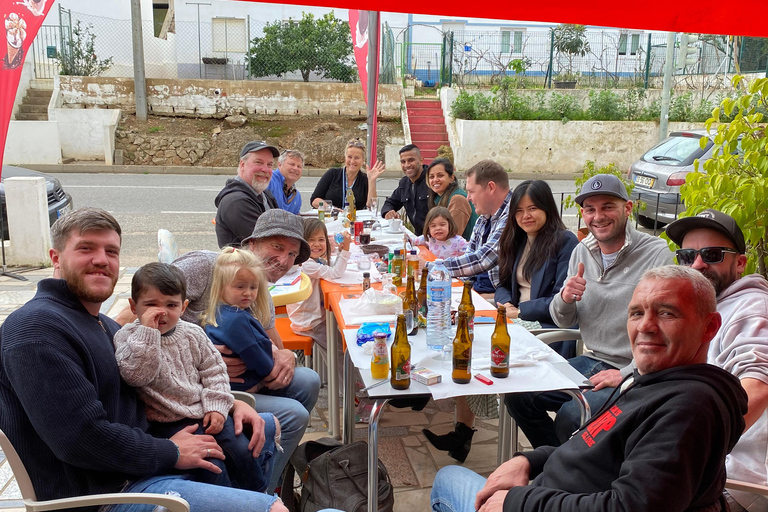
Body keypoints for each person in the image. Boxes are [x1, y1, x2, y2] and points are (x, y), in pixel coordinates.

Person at [0, 207, 289, 512]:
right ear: (56, 257)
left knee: (270, 426)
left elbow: (158, 387)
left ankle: (255, 494)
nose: (101, 259)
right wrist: (171, 451)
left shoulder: (102, 324)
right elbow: (80, 439)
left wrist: (231, 403)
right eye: (86, 248)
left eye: (111, 251)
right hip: (109, 494)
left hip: (146, 462)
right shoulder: (35, 330)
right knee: (271, 507)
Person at [431, 265, 747, 512]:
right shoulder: (654, 381)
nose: (645, 327)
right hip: (546, 489)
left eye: (666, 313)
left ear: (710, 327)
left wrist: (518, 503)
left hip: (536, 502)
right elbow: (591, 446)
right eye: (637, 313)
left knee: (448, 479)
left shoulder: (690, 407)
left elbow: (633, 506)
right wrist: (531, 460)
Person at [507, 173, 674, 448]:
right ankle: (556, 465)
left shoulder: (655, 254)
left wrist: (626, 373)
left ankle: (570, 472)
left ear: (627, 208)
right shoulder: (582, 251)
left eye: (608, 206)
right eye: (590, 209)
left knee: (571, 416)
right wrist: (565, 297)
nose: (598, 216)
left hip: (634, 369)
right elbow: (564, 318)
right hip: (592, 360)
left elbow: (666, 331)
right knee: (520, 396)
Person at [423, 181, 578, 461]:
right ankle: (463, 430)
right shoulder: (518, 239)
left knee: (477, 348)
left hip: (546, 328)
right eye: (519, 210)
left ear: (547, 209)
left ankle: (556, 456)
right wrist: (505, 303)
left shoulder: (564, 242)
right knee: (464, 338)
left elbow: (562, 300)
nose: (525, 216)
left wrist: (522, 311)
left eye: (533, 209)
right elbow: (504, 282)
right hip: (512, 317)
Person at [171, 209, 320, 493]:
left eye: (292, 254)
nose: (284, 261)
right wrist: (202, 354)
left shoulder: (257, 286)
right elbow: (142, 309)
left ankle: (271, 466)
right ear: (251, 244)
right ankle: (259, 495)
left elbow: (273, 341)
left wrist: (287, 355)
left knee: (308, 379)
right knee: (294, 415)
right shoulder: (207, 266)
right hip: (192, 386)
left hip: (235, 383)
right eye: (277, 247)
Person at [114, 262, 278, 493]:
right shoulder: (127, 337)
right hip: (166, 423)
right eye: (151, 305)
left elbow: (215, 371)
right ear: (133, 306)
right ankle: (228, 502)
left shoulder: (192, 333)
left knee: (240, 448)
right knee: (212, 464)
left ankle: (258, 495)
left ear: (184, 307)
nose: (161, 312)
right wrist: (148, 335)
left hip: (204, 409)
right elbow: (135, 376)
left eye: (171, 305)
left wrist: (217, 406)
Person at [667, 208, 768, 511]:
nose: (697, 264)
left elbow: (759, 386)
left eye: (711, 254)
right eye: (687, 256)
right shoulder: (707, 306)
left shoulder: (750, 308)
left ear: (739, 263)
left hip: (736, 479)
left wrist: (691, 450)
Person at [203, 248, 279, 394]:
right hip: (242, 388)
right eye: (240, 286)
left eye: (253, 287)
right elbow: (264, 365)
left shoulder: (219, 312)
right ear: (220, 288)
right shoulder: (238, 321)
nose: (247, 293)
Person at [442, 159, 512, 295]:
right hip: (478, 289)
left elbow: (483, 260)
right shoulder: (484, 217)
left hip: (501, 297)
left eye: (471, 191)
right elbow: (470, 256)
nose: (468, 198)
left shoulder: (514, 214)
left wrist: (434, 267)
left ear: (491, 187)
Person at [287, 219, 351, 357]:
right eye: (311, 240)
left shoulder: (312, 260)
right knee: (339, 351)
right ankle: (341, 378)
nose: (317, 244)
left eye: (321, 239)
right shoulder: (307, 264)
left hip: (312, 316)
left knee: (339, 328)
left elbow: (332, 268)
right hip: (310, 322)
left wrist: (340, 251)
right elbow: (335, 273)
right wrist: (346, 250)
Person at [215, 141, 280, 248]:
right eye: (258, 162)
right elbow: (267, 244)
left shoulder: (265, 196)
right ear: (242, 164)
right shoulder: (236, 202)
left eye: (269, 165)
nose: (265, 169)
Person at [310, 139, 384, 212]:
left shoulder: (365, 179)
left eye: (356, 158)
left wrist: (371, 181)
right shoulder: (332, 174)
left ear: (363, 161)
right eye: (349, 157)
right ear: (345, 157)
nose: (352, 161)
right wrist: (331, 209)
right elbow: (314, 200)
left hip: (355, 220)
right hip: (332, 218)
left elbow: (371, 206)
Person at [381, 144, 431, 235]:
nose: (407, 165)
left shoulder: (431, 180)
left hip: (436, 239)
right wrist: (388, 212)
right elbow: (390, 203)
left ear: (421, 160)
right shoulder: (404, 184)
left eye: (411, 160)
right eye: (403, 162)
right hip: (418, 238)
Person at [426, 158, 478, 240]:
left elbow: (451, 237)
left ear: (451, 178)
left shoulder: (458, 199)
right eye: (431, 177)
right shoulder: (438, 198)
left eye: (440, 175)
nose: (435, 180)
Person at [267, 149, 305, 215]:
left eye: (299, 166)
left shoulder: (296, 196)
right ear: (279, 165)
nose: (295, 168)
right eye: (291, 164)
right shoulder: (268, 181)